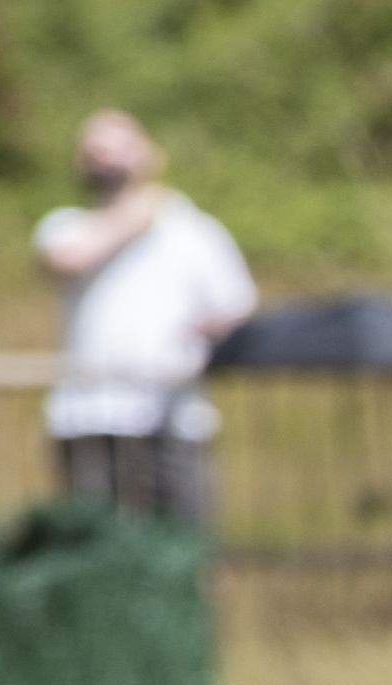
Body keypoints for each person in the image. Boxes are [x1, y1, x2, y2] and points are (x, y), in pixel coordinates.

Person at [32, 111, 257, 531]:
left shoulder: (194, 231)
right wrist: (147, 207)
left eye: (119, 147)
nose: (107, 159)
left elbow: (235, 306)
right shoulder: (65, 226)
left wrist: (193, 341)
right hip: (88, 417)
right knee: (94, 548)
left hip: (174, 416)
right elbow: (71, 259)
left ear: (150, 155)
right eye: (95, 150)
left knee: (182, 547)